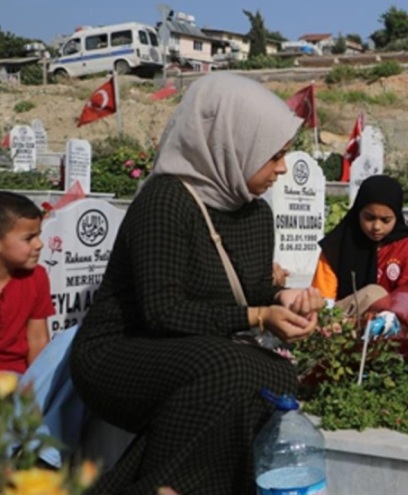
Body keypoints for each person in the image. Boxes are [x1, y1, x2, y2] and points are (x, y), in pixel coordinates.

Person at [70, 73, 325, 495]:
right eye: (274, 155)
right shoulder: (165, 201)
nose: (282, 168)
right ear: (231, 144)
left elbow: (250, 291)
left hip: (196, 349)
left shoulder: (255, 213)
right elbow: (163, 311)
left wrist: (285, 299)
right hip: (121, 351)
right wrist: (259, 317)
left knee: (276, 375)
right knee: (227, 369)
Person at [311, 175, 408, 312]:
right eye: (369, 218)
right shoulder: (336, 246)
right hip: (341, 317)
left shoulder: (405, 246)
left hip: (393, 317)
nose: (376, 227)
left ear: (397, 217)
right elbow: (323, 299)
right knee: (374, 294)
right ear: (358, 212)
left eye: (385, 220)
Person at [0, 191, 52, 374]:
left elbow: (37, 339)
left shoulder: (37, 277)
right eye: (29, 238)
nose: (39, 244)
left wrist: (37, 384)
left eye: (38, 236)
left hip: (19, 378)